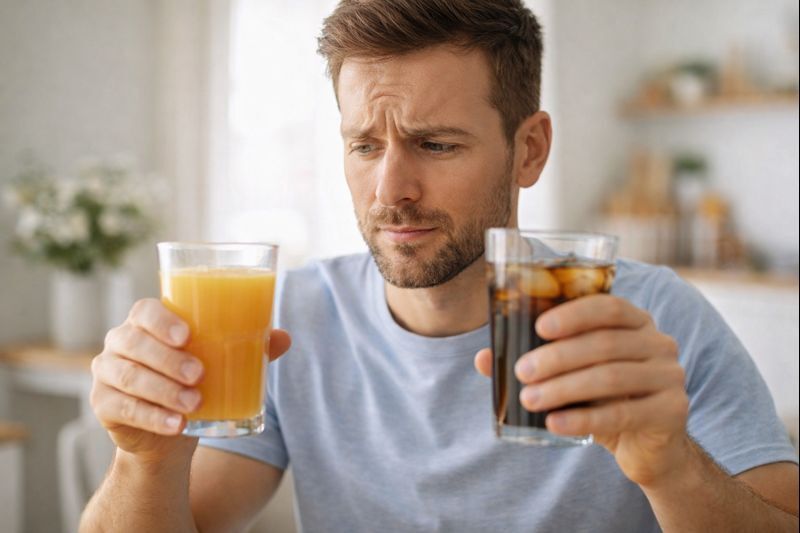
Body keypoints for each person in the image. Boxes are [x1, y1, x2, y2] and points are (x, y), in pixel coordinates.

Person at [80, 1, 799, 531]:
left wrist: (672, 466)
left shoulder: (653, 318)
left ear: (529, 150)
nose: (391, 191)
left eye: (436, 144)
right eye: (365, 145)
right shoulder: (286, 319)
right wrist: (146, 458)